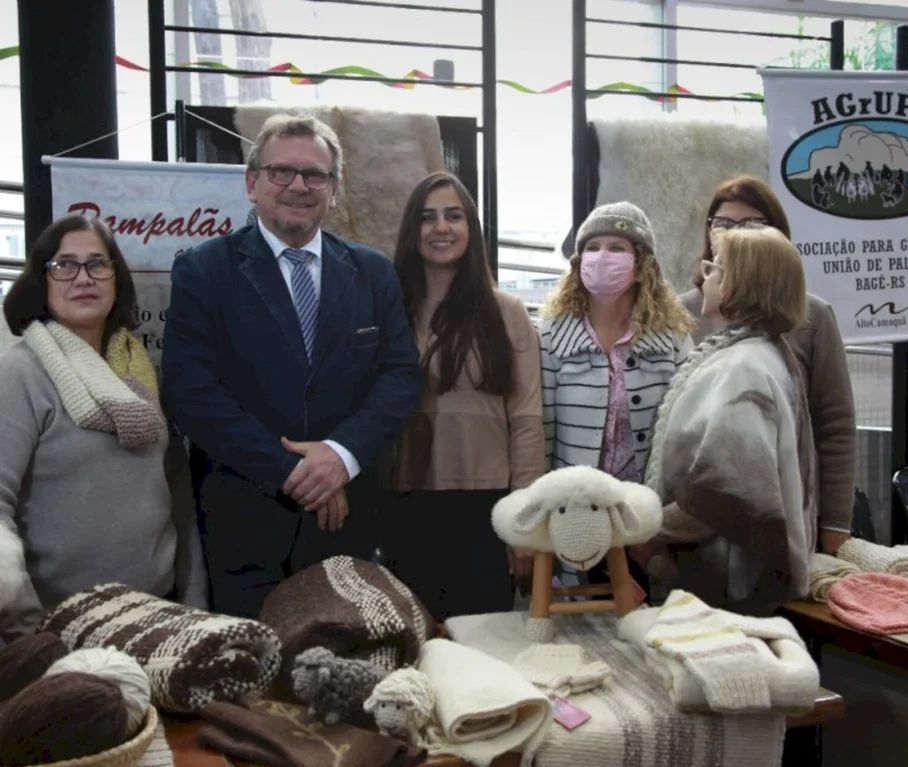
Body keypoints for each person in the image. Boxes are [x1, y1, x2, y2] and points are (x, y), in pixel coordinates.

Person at [162, 113, 422, 619]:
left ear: (334, 190)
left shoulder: (372, 273)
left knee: (349, 656)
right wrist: (298, 474)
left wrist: (341, 458)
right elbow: (191, 392)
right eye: (282, 171)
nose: (299, 186)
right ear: (252, 182)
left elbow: (400, 377)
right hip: (245, 524)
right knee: (250, 663)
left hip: (347, 523)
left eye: (315, 175)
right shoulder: (204, 269)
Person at [0, 215, 206, 641]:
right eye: (64, 265)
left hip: (158, 614)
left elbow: (178, 492)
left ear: (117, 280)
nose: (83, 277)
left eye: (97, 263)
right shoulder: (19, 372)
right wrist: (23, 633)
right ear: (42, 280)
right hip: (57, 627)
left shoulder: (141, 372)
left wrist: (194, 597)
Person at [387, 172, 545, 619]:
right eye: (427, 217)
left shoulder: (507, 312)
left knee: (483, 639)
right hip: (404, 499)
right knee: (413, 640)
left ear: (471, 228)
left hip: (488, 505)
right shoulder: (388, 308)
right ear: (412, 230)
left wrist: (523, 520)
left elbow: (527, 420)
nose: (441, 228)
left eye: (453, 216)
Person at [644, 226, 816, 615]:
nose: (704, 278)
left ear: (741, 285)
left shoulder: (742, 368)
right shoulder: (761, 353)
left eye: (716, 269)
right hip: (725, 579)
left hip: (726, 585)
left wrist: (639, 530)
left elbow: (723, 494)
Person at [680, 176, 855, 556]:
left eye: (750, 224)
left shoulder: (811, 315)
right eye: (722, 223)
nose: (732, 234)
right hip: (693, 518)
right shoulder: (679, 313)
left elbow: (835, 425)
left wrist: (835, 524)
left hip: (783, 513)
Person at [540, 202, 694, 587]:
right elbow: (542, 430)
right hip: (574, 516)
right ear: (578, 263)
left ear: (641, 264)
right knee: (581, 612)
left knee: (645, 611)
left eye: (617, 247)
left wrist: (666, 520)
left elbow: (684, 434)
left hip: (644, 520)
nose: (601, 256)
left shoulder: (673, 339)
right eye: (592, 247)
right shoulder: (551, 336)